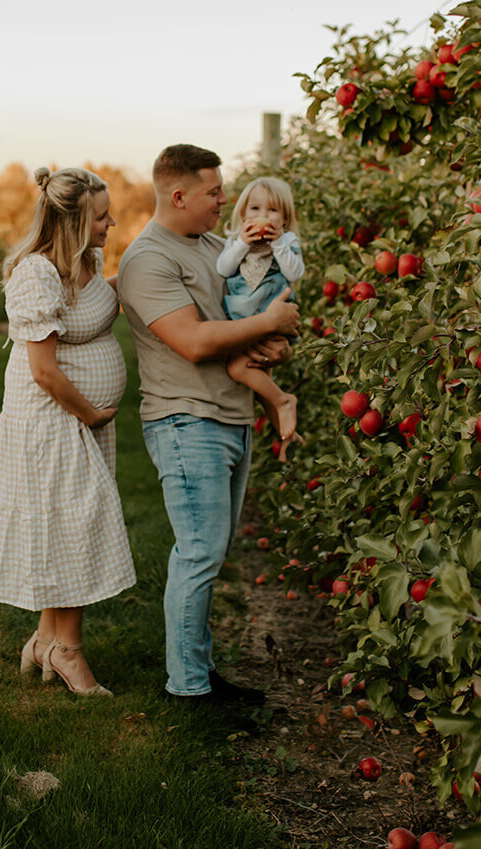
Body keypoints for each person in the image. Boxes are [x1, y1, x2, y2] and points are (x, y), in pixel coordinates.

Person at [116, 144, 299, 709]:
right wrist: (267, 323)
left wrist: (276, 338)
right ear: (179, 195)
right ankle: (188, 687)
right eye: (215, 192)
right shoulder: (148, 260)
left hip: (229, 413)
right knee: (198, 553)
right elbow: (194, 341)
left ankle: (198, 670)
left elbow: (251, 309)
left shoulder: (221, 246)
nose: (227, 201)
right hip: (185, 421)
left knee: (210, 554)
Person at [0, 166, 134, 698]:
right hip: (53, 419)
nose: (111, 224)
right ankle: (68, 651)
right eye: (101, 218)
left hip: (74, 419)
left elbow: (99, 305)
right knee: (74, 525)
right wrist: (91, 414)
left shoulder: (86, 262)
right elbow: (44, 370)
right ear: (72, 221)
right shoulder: (36, 274)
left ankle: (47, 638)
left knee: (65, 522)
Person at [215, 175, 304, 457]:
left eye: (273, 211)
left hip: (271, 316)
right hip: (245, 320)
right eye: (255, 209)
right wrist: (242, 242)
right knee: (256, 377)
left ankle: (283, 403)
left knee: (238, 368)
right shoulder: (235, 241)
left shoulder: (287, 241)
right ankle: (286, 433)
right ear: (243, 214)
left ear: (285, 220)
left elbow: (295, 273)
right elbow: (223, 268)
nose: (263, 216)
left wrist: (278, 245)